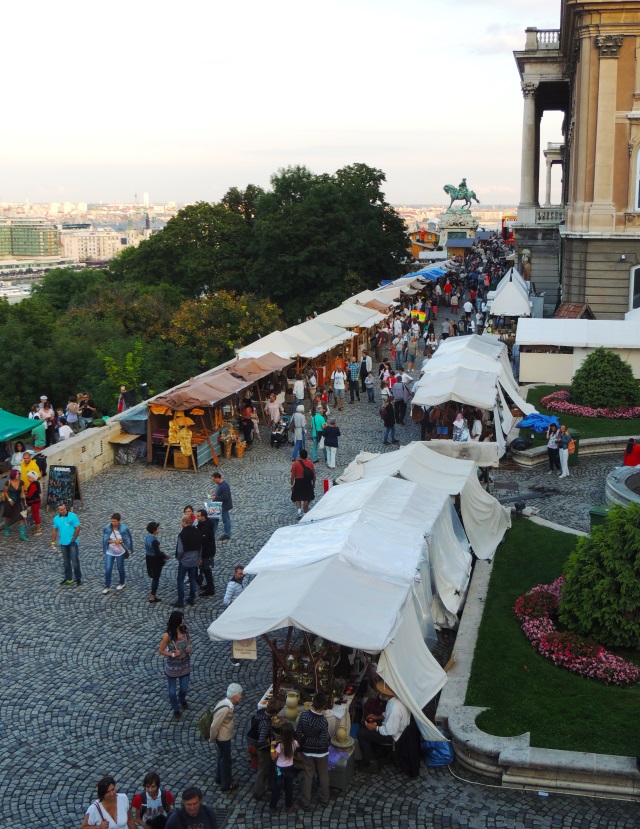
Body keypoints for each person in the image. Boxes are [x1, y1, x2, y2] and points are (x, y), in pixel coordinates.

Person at [357, 679, 410, 773]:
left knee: (361, 733)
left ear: (388, 694)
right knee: (363, 724)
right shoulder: (393, 700)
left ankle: (372, 763)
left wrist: (375, 728)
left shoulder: (395, 708)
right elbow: (387, 713)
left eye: (381, 692)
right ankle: (370, 752)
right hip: (390, 727)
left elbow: (390, 731)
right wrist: (377, 717)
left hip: (393, 736)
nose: (379, 693)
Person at [295, 691, 330, 810]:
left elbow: (298, 733)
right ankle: (325, 799)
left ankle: (306, 802)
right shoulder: (323, 721)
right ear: (323, 706)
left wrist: (300, 747)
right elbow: (323, 740)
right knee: (323, 775)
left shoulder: (304, 716)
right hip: (321, 752)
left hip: (307, 750)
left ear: (312, 703)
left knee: (308, 775)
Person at [209, 683, 244, 793]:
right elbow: (214, 725)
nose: (241, 696)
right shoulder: (225, 709)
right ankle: (226, 784)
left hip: (223, 737)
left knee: (222, 757)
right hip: (223, 738)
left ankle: (220, 778)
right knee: (226, 761)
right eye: (240, 694)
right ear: (234, 696)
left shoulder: (225, 704)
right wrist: (212, 738)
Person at [159, 610, 192, 718]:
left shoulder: (185, 630)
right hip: (173, 666)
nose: (183, 621)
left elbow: (188, 640)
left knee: (184, 688)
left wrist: (188, 647)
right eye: (181, 619)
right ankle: (176, 708)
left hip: (184, 664)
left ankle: (182, 699)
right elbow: (161, 650)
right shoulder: (167, 635)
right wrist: (172, 654)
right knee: (172, 691)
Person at [253, 698, 282, 801]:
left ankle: (271, 785)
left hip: (263, 748)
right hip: (263, 750)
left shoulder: (260, 712)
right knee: (263, 770)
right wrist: (272, 744)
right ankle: (258, 793)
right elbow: (261, 741)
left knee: (270, 767)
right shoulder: (265, 724)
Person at [269, 720, 299, 815]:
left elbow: (273, 757)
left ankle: (273, 807)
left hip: (279, 769)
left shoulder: (280, 746)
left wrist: (272, 746)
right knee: (288, 788)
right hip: (289, 768)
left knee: (277, 788)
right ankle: (288, 806)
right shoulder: (294, 743)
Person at [174, 515, 202, 608]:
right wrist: (199, 558)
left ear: (184, 522)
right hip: (194, 560)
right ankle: (191, 598)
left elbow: (180, 550)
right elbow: (200, 547)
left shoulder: (182, 534)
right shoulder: (197, 532)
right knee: (193, 579)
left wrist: (179, 558)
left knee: (180, 580)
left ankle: (180, 600)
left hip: (184, 561)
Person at [102, 513, 133, 594]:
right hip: (110, 551)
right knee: (108, 568)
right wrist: (113, 541)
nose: (113, 523)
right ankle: (107, 586)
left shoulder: (124, 529)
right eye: (112, 521)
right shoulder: (107, 528)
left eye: (115, 521)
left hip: (120, 551)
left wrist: (120, 541)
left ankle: (122, 583)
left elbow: (127, 539)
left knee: (120, 567)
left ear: (119, 521)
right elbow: (105, 540)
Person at [145, 522, 168, 604]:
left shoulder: (147, 537)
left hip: (148, 558)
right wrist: (165, 556)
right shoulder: (154, 541)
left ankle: (152, 595)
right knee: (156, 578)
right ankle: (152, 595)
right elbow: (158, 553)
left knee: (154, 576)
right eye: (158, 528)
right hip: (155, 560)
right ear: (154, 530)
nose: (159, 529)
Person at [2, 469, 28, 541]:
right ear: (13, 475)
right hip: (10, 501)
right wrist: (9, 499)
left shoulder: (21, 482)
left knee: (22, 517)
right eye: (17, 474)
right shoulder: (8, 482)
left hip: (18, 502)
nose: (18, 475)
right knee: (9, 517)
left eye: (19, 473)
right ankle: (6, 529)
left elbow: (22, 492)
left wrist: (24, 501)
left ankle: (22, 535)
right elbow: (5, 492)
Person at [195, 509, 216, 596]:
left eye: (198, 516)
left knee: (207, 569)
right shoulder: (205, 524)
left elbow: (203, 539)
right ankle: (209, 585)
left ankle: (210, 588)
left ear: (203, 517)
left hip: (207, 551)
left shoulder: (206, 527)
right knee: (205, 569)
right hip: (206, 550)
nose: (197, 517)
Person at [290, 448, 316, 518]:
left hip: (298, 482)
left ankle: (299, 512)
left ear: (300, 456)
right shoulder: (310, 464)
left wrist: (292, 484)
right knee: (307, 498)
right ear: (307, 456)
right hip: (307, 482)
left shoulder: (296, 464)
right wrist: (313, 484)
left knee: (297, 497)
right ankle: (304, 513)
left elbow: (292, 476)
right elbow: (314, 475)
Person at [211, 471, 233, 540]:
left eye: (214, 480)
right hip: (218, 505)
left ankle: (227, 534)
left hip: (223, 506)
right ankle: (212, 533)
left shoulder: (224, 486)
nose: (214, 481)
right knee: (214, 519)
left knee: (226, 520)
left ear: (218, 478)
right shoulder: (220, 484)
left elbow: (226, 497)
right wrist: (215, 495)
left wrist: (216, 497)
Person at [25, 470, 42, 536]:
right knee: (35, 514)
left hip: (35, 502)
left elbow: (29, 495)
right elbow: (39, 492)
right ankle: (38, 527)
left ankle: (38, 529)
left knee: (35, 515)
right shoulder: (36, 483)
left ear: (33, 477)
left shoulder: (33, 485)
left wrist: (25, 495)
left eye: (29, 477)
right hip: (37, 501)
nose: (28, 478)